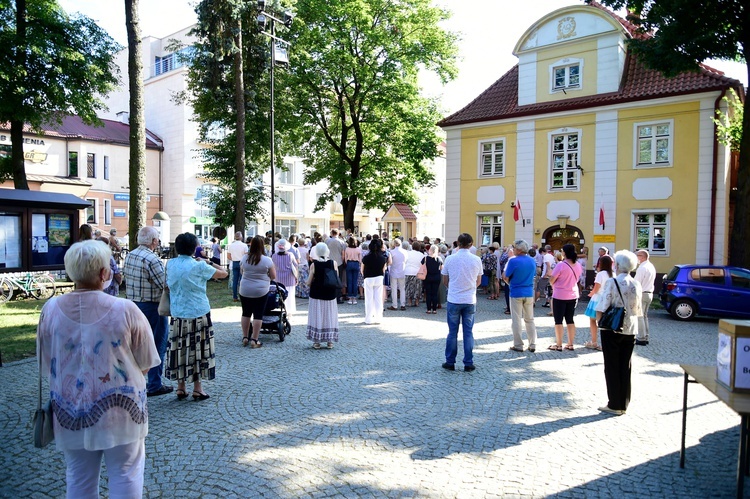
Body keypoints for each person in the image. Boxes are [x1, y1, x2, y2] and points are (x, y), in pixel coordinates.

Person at [37, 240, 160, 498]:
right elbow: (147, 361)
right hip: (122, 410)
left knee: (79, 476)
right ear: (104, 274)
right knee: (126, 472)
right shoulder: (126, 309)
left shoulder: (50, 310)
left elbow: (46, 361)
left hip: (70, 409)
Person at [165, 233, 227, 400]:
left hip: (178, 312)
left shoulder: (170, 264)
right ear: (194, 248)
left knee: (179, 349)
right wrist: (208, 261)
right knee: (198, 349)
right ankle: (198, 387)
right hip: (198, 312)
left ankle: (180, 386)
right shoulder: (199, 266)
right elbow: (224, 273)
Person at [123, 226, 173, 397]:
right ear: (153, 241)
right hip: (152, 306)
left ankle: (135, 380)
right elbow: (164, 284)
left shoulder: (130, 255)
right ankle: (154, 384)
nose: (158, 241)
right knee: (157, 343)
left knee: (136, 345)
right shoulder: (152, 259)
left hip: (133, 304)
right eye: (157, 238)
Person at [596, 250, 643, 416]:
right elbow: (638, 309)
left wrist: (599, 322)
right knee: (625, 365)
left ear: (617, 265)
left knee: (611, 366)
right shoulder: (636, 283)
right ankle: (623, 402)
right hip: (630, 328)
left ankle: (614, 403)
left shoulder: (612, 282)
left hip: (612, 327)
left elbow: (602, 305)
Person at [441, 233, 483, 372]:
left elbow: (445, 280)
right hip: (469, 299)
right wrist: (469, 288)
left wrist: (453, 288)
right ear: (471, 244)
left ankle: (450, 361)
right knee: (468, 332)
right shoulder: (476, 260)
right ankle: (468, 362)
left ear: (458, 243)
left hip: (454, 298)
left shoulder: (450, 259)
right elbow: (478, 281)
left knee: (452, 332)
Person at [239, 235, 276, 348]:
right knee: (258, 315)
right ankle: (254, 339)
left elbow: (242, 272)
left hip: (245, 289)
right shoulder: (267, 260)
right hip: (260, 291)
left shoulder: (244, 258)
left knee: (246, 313)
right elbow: (273, 276)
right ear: (262, 246)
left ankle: (245, 337)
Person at [503, 240, 537, 353]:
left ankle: (518, 344)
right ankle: (532, 344)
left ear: (518, 249)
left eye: (514, 247)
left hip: (516, 292)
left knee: (516, 319)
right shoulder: (532, 261)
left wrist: (509, 284)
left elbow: (506, 276)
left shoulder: (513, 261)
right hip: (528, 292)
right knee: (530, 319)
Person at [548, 244, 582, 351]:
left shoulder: (561, 265)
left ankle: (558, 344)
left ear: (564, 253)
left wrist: (554, 285)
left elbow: (552, 279)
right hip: (573, 294)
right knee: (570, 319)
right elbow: (577, 279)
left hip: (560, 295)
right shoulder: (578, 265)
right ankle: (570, 343)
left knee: (558, 320)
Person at [305, 243, 339, 349]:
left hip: (316, 293)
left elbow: (309, 282)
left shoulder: (314, 265)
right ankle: (330, 340)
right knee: (330, 315)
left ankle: (317, 341)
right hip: (330, 293)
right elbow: (336, 277)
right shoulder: (333, 263)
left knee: (317, 316)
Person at [584, 255, 613, 351]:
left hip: (598, 299)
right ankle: (606, 343)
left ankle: (594, 342)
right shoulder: (613, 274)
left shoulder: (601, 274)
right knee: (605, 322)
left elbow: (596, 288)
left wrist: (591, 293)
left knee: (593, 320)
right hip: (608, 299)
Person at [362, 238, 387, 324]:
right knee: (378, 298)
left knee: (369, 299)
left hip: (368, 278)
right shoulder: (382, 258)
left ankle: (368, 318)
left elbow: (362, 269)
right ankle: (378, 318)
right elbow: (384, 270)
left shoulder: (366, 257)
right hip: (379, 277)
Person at [634, 250, 656, 346]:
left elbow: (636, 283)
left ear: (642, 257)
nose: (636, 259)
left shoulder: (642, 268)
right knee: (644, 316)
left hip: (642, 293)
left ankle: (641, 338)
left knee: (640, 317)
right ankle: (645, 336)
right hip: (649, 293)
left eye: (637, 256)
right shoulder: (651, 266)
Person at [271, 238, 298, 314]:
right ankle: (290, 312)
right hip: (289, 278)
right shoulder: (290, 255)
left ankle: (280, 309)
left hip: (278, 278)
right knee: (290, 296)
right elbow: (296, 265)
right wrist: (296, 277)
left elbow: (272, 266)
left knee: (279, 295)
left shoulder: (274, 256)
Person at [325, 229, 347, 303]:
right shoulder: (342, 242)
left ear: (332, 233)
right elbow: (343, 254)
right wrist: (343, 261)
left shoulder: (327, 241)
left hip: (329, 262)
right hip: (339, 262)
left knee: (329, 279)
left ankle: (329, 296)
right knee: (338, 280)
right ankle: (338, 297)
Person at [422, 242, 443, 314]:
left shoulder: (425, 258)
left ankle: (428, 309)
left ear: (430, 250)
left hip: (427, 277)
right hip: (436, 277)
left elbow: (422, 266)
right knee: (435, 293)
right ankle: (434, 309)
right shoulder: (439, 259)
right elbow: (441, 268)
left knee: (428, 293)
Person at [227, 232, 248, 302]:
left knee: (235, 280)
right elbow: (246, 255)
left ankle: (235, 296)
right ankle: (242, 295)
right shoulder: (244, 245)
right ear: (241, 237)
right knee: (242, 280)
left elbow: (228, 256)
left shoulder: (231, 245)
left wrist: (233, 258)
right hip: (242, 262)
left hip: (234, 262)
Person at [387, 238, 407, 310]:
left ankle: (394, 305)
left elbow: (390, 262)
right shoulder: (405, 252)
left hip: (394, 271)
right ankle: (403, 304)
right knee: (402, 288)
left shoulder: (391, 252)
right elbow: (406, 261)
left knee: (394, 289)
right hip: (402, 271)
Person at [343, 236, 362, 305]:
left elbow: (345, 258)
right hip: (356, 263)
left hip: (349, 263)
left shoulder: (347, 249)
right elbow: (360, 259)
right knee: (355, 281)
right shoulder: (358, 249)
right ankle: (354, 297)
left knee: (349, 281)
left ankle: (350, 297)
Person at [404, 241, 424, 307]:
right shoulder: (421, 255)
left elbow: (405, 261)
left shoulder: (408, 253)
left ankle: (409, 301)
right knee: (417, 287)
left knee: (408, 287)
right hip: (417, 272)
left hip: (408, 271)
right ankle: (417, 301)